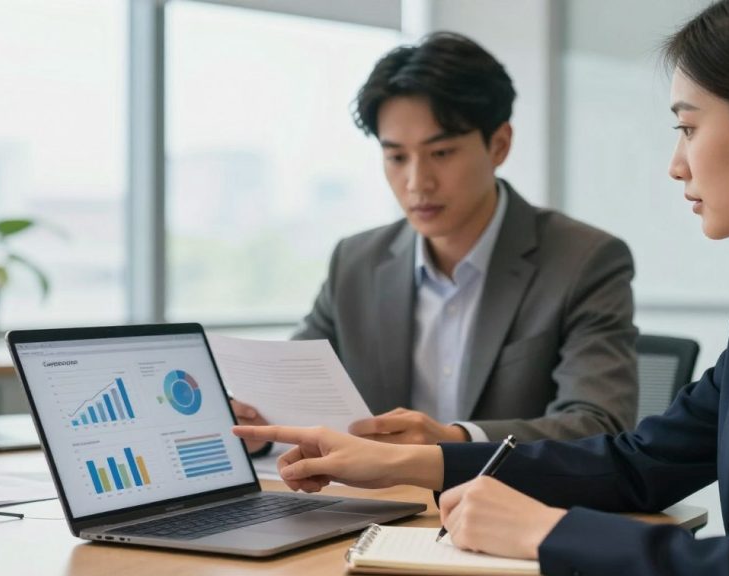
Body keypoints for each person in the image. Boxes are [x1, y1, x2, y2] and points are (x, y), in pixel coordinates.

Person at [233, 0, 729, 576]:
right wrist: (415, 460)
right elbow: (639, 462)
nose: (676, 165)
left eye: (688, 127)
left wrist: (544, 531)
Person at [235, 32, 638, 450]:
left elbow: (598, 424)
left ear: (498, 145)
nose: (416, 182)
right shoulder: (355, 261)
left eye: (441, 153)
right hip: (385, 508)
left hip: (510, 506)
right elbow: (288, 393)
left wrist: (453, 441)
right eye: (396, 157)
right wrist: (254, 429)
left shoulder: (584, 260)